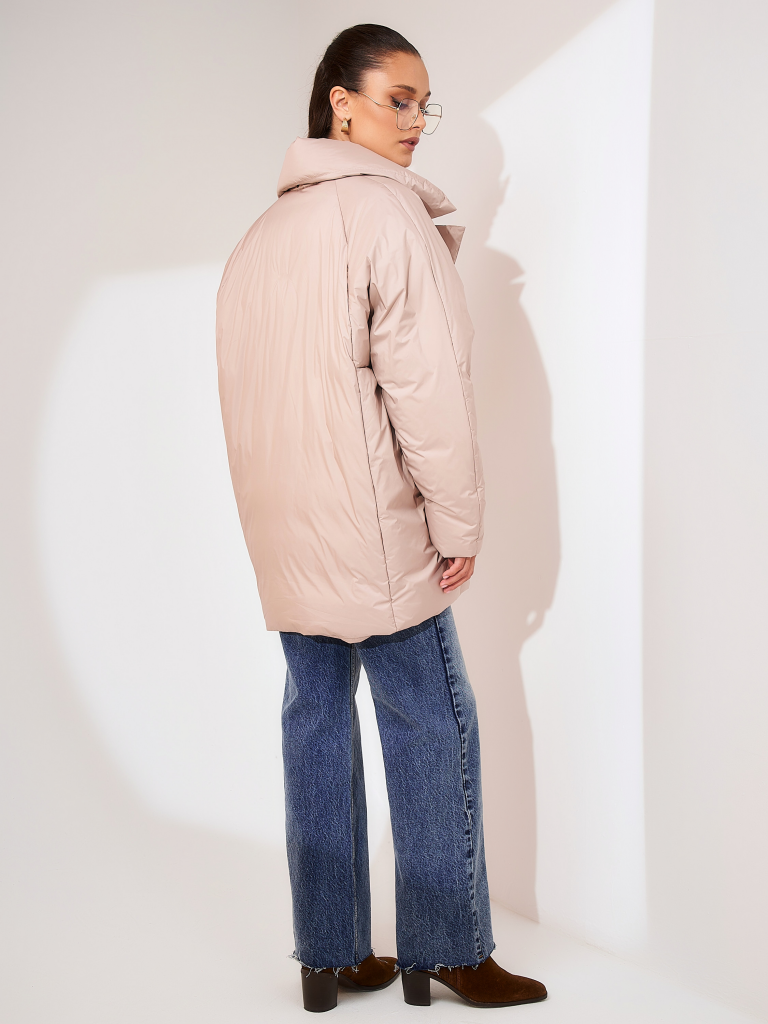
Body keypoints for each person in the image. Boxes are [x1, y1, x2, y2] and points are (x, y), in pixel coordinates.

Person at [216, 23, 547, 1013]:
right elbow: (428, 392)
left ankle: (327, 956)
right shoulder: (386, 217)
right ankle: (446, 950)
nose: (415, 121)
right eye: (398, 99)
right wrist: (458, 525)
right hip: (377, 528)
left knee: (315, 721)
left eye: (423, 104)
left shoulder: (258, 239)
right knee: (431, 722)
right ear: (342, 105)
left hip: (287, 534)